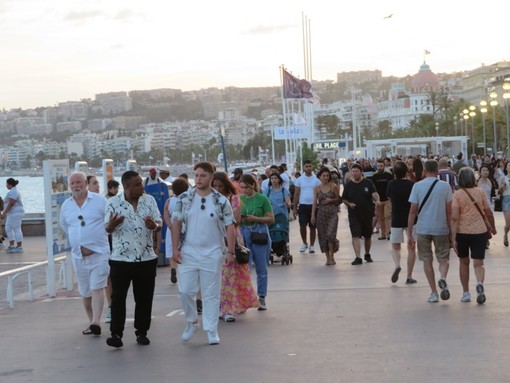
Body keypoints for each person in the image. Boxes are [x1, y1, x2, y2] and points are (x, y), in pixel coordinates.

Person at [171, 162, 236, 345]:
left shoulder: (220, 200)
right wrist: (175, 249)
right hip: (188, 251)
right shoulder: (184, 198)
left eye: (203, 176)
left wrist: (230, 251)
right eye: (196, 175)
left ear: (211, 177)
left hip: (212, 252)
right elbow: (175, 223)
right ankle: (192, 322)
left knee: (211, 293)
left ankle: (211, 330)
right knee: (185, 291)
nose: (198, 179)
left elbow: (230, 226)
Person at [104, 170, 162, 348]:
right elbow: (107, 228)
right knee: (118, 298)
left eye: (141, 183)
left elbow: (159, 223)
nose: (142, 186)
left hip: (146, 258)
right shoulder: (113, 203)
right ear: (126, 186)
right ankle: (116, 334)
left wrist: (154, 226)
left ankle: (142, 332)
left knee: (144, 298)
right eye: (137, 184)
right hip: (121, 259)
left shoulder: (149, 200)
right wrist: (112, 225)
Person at [60, 172, 110, 336]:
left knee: (97, 287)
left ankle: (96, 321)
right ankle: (92, 322)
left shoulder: (99, 201)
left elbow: (109, 222)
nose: (76, 186)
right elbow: (65, 226)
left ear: (85, 183)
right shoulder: (66, 205)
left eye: (79, 182)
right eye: (73, 183)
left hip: (99, 254)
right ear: (69, 186)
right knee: (85, 292)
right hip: (78, 257)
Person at [212, 172, 259, 323]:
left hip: (232, 237)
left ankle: (230, 308)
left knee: (232, 273)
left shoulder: (234, 198)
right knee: (220, 275)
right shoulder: (210, 199)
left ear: (226, 185)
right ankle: (224, 306)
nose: (217, 189)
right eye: (215, 186)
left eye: (220, 186)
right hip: (215, 238)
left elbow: (236, 220)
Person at [407, 159, 453, 303]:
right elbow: (449, 212)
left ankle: (433, 292)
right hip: (441, 228)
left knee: (427, 260)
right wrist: (452, 231)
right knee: (443, 258)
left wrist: (409, 233)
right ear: (438, 170)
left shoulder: (417, 186)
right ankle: (443, 278)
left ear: (424, 171)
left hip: (423, 228)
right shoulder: (445, 187)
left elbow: (412, 211)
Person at [451, 167, 496, 304]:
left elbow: (454, 217)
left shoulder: (457, 194)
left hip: (462, 232)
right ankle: (479, 283)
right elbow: (488, 212)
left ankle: (465, 293)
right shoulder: (480, 192)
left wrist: (453, 238)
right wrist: (492, 227)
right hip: (479, 232)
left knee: (464, 262)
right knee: (479, 263)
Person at [239, 174, 274, 311]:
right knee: (244, 268)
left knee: (261, 267)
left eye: (246, 188)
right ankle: (244, 298)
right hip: (244, 232)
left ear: (253, 185)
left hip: (259, 232)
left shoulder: (262, 198)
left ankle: (261, 297)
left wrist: (255, 218)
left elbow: (271, 219)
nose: (244, 191)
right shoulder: (240, 199)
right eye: (241, 188)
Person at [342, 163, 380, 265]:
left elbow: (374, 194)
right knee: (355, 235)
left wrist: (377, 200)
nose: (354, 173)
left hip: (367, 213)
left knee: (367, 236)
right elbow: (344, 198)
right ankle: (358, 257)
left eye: (356, 171)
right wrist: (349, 204)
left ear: (361, 172)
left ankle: (367, 254)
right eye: (353, 171)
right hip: (354, 214)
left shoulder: (368, 183)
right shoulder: (349, 185)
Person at [387, 161, 417, 284]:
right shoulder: (412, 185)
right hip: (411, 219)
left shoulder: (391, 184)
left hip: (396, 218)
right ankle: (409, 276)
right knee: (411, 248)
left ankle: (397, 264)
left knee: (395, 246)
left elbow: (389, 198)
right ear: (406, 172)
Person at [311, 167, 341, 266]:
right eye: (323, 176)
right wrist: (313, 216)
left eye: (327, 176)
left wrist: (330, 200)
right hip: (321, 214)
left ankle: (332, 256)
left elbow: (339, 199)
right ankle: (328, 257)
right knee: (323, 236)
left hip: (332, 213)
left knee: (330, 235)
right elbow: (315, 202)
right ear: (319, 176)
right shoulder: (317, 188)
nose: (325, 177)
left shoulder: (333, 186)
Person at [163, 178, 189, 285]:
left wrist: (170, 225)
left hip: (171, 229)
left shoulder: (169, 201)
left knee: (171, 248)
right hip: (185, 228)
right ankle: (182, 269)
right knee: (183, 248)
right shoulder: (188, 200)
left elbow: (165, 214)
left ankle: (173, 267)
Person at [292, 160, 321, 254]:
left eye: (310, 166)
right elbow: (296, 194)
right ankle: (304, 243)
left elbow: (320, 194)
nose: (308, 168)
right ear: (303, 168)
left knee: (313, 227)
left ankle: (312, 245)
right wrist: (294, 208)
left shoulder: (317, 179)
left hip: (314, 206)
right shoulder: (299, 180)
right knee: (302, 225)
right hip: (303, 205)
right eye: (306, 166)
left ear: (312, 167)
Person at [104, 179, 120, 323]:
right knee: (108, 277)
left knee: (113, 278)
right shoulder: (106, 201)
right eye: (113, 188)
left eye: (117, 187)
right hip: (107, 242)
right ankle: (111, 307)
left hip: (114, 242)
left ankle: (113, 307)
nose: (115, 190)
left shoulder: (119, 200)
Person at [1, 178, 25, 253]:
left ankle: (19, 247)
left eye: (6, 184)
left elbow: (11, 203)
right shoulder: (12, 191)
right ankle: (11, 245)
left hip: (15, 213)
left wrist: (4, 212)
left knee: (17, 229)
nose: (6, 185)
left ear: (10, 184)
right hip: (11, 214)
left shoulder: (14, 192)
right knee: (8, 228)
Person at [371, 159, 393, 240]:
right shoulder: (374, 176)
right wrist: (375, 200)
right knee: (381, 218)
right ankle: (383, 234)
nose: (379, 167)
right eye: (378, 166)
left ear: (384, 166)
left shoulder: (389, 175)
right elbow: (372, 189)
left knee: (387, 217)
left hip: (387, 200)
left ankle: (388, 233)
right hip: (379, 201)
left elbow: (391, 186)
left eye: (381, 166)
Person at [498, 161, 510, 247]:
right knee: (508, 223)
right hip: (506, 200)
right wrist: (502, 187)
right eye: (509, 165)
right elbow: (498, 191)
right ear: (506, 168)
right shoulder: (503, 178)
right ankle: (505, 235)